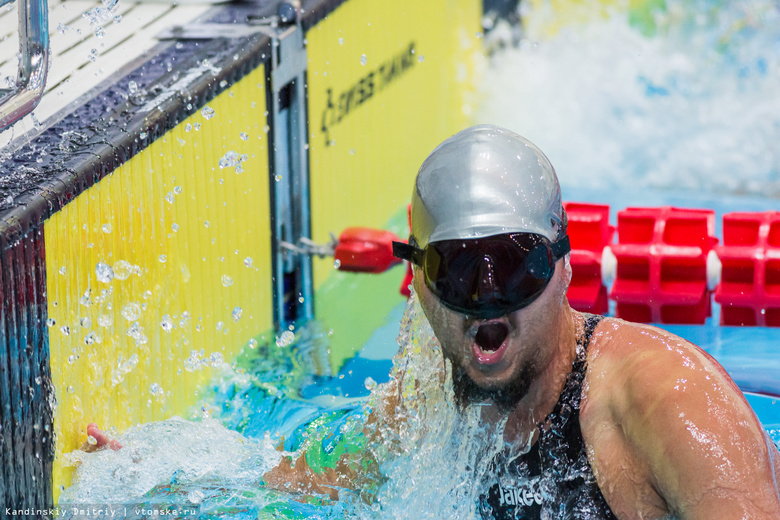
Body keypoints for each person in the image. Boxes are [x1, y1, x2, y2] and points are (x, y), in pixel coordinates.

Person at [90, 125, 780, 518]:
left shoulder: (665, 402)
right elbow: (307, 486)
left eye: (514, 268)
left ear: (565, 268)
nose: (487, 300)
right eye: (457, 271)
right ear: (417, 284)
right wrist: (161, 480)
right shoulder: (427, 401)